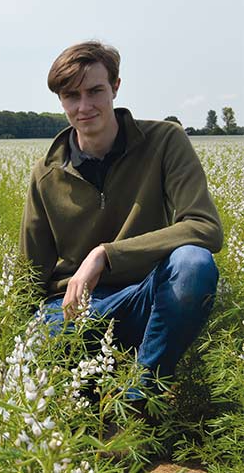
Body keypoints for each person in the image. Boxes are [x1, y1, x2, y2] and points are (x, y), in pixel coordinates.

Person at [20, 40, 223, 397]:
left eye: (95, 91)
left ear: (115, 86)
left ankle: (138, 398)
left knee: (193, 263)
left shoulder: (165, 141)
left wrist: (105, 254)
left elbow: (204, 227)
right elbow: (31, 272)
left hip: (148, 299)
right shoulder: (46, 173)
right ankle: (94, 383)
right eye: (71, 96)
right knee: (39, 348)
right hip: (74, 310)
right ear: (61, 101)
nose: (84, 107)